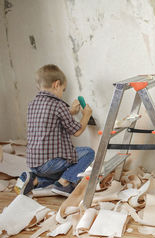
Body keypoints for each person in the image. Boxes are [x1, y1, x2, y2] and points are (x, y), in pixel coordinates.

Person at [14, 64, 95, 197]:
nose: (62, 93)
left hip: (34, 163)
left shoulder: (32, 104)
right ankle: (63, 184)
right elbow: (77, 131)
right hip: (49, 164)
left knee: (58, 171)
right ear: (56, 84)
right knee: (88, 153)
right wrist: (86, 115)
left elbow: (50, 118)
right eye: (63, 89)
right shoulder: (59, 105)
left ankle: (34, 180)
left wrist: (71, 112)